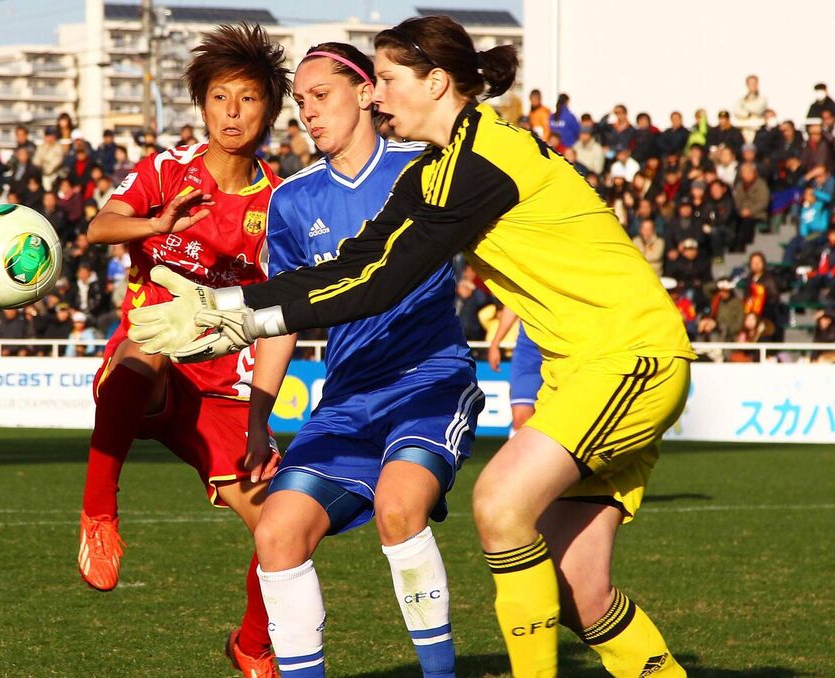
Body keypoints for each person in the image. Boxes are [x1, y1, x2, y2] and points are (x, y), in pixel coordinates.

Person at [129, 15, 693, 678]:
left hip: (627, 355)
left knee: (500, 504)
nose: (379, 94)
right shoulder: (438, 170)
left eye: (390, 79)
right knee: (580, 592)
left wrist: (243, 317)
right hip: (584, 372)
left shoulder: (481, 160)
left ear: (436, 82)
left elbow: (379, 283)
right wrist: (224, 306)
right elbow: (357, 262)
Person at [233, 43, 481, 678]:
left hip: (428, 379)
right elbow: (281, 317)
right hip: (346, 398)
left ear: (368, 92)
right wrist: (260, 418)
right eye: (300, 103)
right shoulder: (291, 202)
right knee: (276, 534)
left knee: (399, 510)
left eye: (321, 96)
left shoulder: (429, 167)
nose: (308, 113)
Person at [76, 23, 290, 678]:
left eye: (248, 98)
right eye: (221, 96)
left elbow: (282, 320)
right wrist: (157, 224)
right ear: (202, 104)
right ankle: (98, 513)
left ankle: (253, 645)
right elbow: (97, 228)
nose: (232, 111)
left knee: (286, 527)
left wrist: (258, 421)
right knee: (153, 339)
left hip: (223, 392)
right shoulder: (170, 170)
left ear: (270, 110)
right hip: (144, 371)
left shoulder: (282, 202)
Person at [489, 307, 542, 433]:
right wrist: (495, 343)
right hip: (529, 351)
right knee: (520, 419)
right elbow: (512, 304)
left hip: (568, 349)